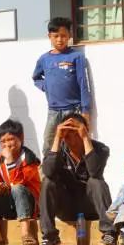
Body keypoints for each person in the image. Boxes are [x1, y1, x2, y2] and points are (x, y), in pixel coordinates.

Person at [35, 114, 113, 245]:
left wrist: (85, 138)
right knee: (48, 181)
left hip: (90, 206)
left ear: (85, 130)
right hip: (67, 206)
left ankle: (109, 232)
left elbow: (94, 172)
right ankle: (49, 237)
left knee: (96, 181)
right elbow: (48, 171)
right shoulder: (57, 148)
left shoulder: (101, 149)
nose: (71, 136)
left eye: (75, 130)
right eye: (67, 132)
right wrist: (57, 137)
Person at [32, 17, 93, 152]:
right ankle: (48, 171)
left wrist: (86, 111)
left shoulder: (76, 57)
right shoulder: (44, 59)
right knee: (49, 141)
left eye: (63, 36)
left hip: (73, 109)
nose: (60, 39)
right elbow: (36, 78)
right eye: (56, 36)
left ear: (69, 36)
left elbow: (83, 83)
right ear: (49, 36)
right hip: (53, 111)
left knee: (74, 143)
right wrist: (45, 86)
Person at [0, 118, 41, 245]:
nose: (7, 144)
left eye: (10, 139)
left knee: (17, 188)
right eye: (3, 141)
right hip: (10, 205)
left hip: (28, 204)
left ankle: (26, 232)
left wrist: (11, 160)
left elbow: (18, 182)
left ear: (21, 138)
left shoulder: (29, 159)